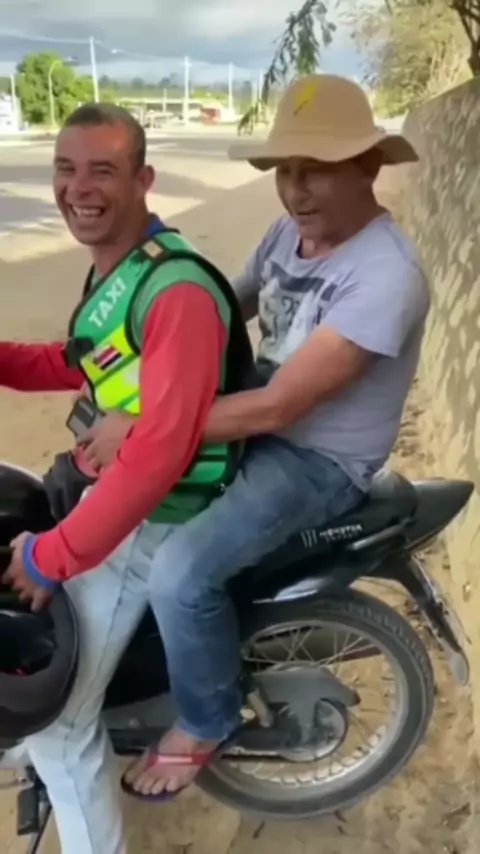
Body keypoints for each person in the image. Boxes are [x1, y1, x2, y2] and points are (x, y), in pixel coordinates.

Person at [1, 71, 430, 854]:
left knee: (180, 572)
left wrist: (147, 425)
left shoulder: (385, 277)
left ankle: (206, 719)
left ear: (368, 165)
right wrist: (166, 338)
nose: (296, 189)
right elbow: (224, 305)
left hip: (315, 458)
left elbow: (281, 408)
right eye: (286, 170)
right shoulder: (290, 234)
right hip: (252, 419)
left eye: (317, 170)